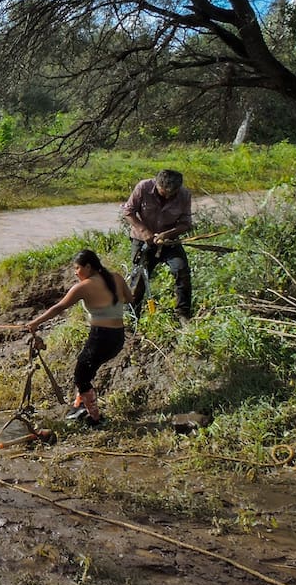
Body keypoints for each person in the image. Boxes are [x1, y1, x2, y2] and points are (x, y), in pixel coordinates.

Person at [25, 249, 133, 427]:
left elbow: (59, 308)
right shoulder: (117, 277)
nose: (75, 273)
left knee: (81, 377)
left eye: (77, 268)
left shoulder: (83, 287)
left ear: (88, 267)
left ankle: (95, 419)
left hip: (100, 337)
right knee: (87, 369)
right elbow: (129, 299)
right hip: (118, 337)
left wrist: (35, 322)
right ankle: (80, 406)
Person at [122, 168, 194, 318]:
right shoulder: (143, 187)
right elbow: (128, 212)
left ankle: (183, 314)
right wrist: (144, 231)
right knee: (139, 279)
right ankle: (132, 316)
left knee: (182, 271)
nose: (167, 196)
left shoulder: (184, 195)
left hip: (169, 242)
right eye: (164, 193)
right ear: (157, 184)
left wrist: (168, 234)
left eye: (172, 194)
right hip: (142, 241)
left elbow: (186, 223)